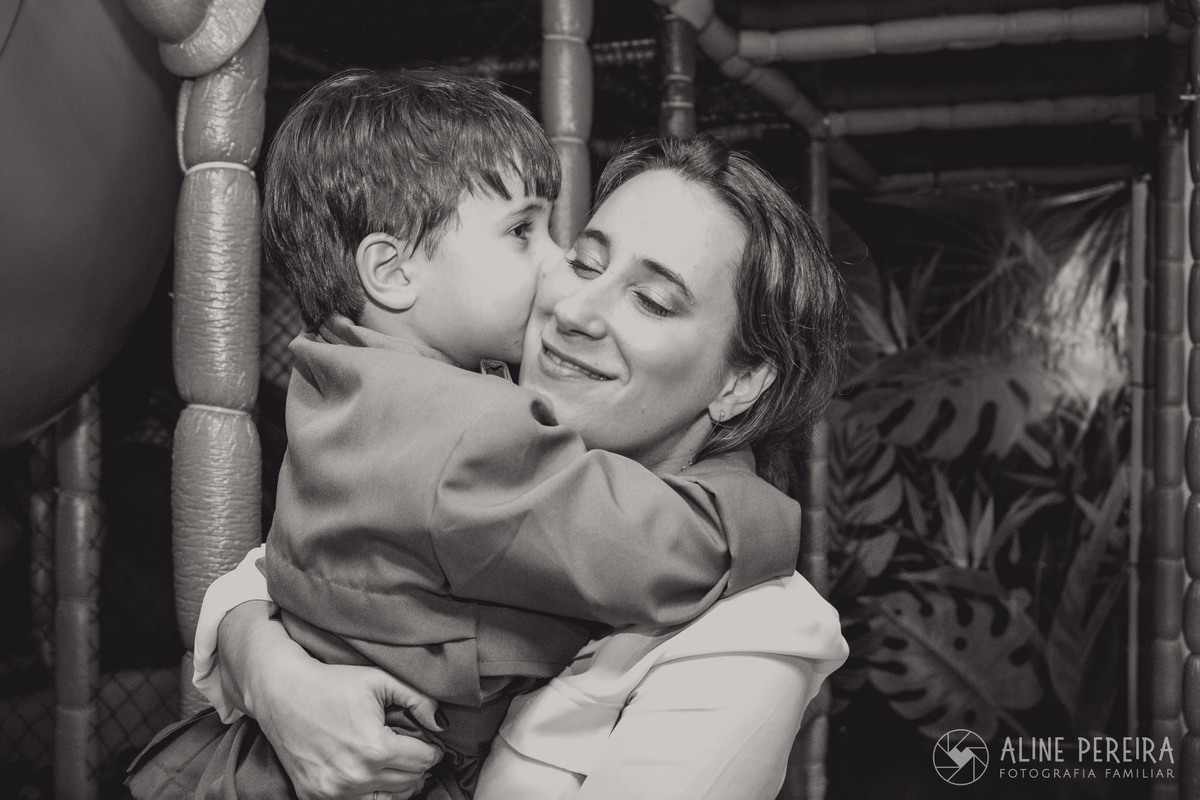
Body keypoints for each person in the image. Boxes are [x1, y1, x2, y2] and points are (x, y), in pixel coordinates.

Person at [127, 69, 817, 800]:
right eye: (572, 254)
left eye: (651, 300)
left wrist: (259, 650)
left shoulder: (759, 636)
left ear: (742, 380)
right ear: (391, 271)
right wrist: (755, 506)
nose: (568, 293)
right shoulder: (471, 434)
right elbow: (259, 576)